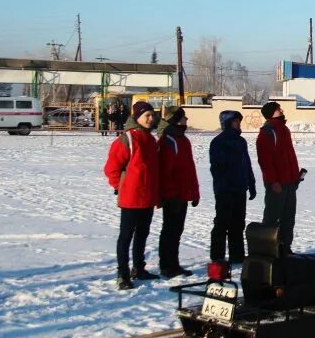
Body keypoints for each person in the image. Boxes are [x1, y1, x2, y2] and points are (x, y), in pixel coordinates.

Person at [103, 101, 160, 289]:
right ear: (137, 118)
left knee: (142, 234)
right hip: (131, 198)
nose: (151, 119)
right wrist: (119, 186)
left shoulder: (151, 140)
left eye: (152, 115)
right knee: (126, 235)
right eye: (147, 116)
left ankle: (139, 268)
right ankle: (123, 273)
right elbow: (112, 167)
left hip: (147, 197)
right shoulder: (127, 139)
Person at [157, 106, 200, 278]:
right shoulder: (168, 140)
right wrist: (171, 194)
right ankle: (166, 265)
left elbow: (189, 170)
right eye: (184, 118)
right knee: (170, 230)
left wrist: (194, 193)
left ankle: (174, 263)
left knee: (177, 230)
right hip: (173, 195)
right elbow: (166, 171)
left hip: (182, 193)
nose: (186, 120)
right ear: (176, 119)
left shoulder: (181, 139)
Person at [209, 110, 257, 264]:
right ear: (227, 123)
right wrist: (225, 187)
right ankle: (217, 256)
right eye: (235, 121)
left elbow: (246, 164)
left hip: (240, 188)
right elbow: (217, 169)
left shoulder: (241, 141)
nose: (238, 124)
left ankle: (237, 255)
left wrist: (251, 183)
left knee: (238, 223)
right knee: (222, 223)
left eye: (239, 121)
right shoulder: (218, 142)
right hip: (225, 191)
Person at [257, 101, 301, 255]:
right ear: (271, 114)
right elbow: (265, 161)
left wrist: (296, 177)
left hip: (290, 183)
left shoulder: (284, 130)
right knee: (272, 218)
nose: (281, 110)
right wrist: (273, 181)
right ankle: (267, 250)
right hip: (277, 184)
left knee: (288, 218)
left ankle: (285, 247)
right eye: (278, 109)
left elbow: (290, 157)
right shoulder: (268, 132)